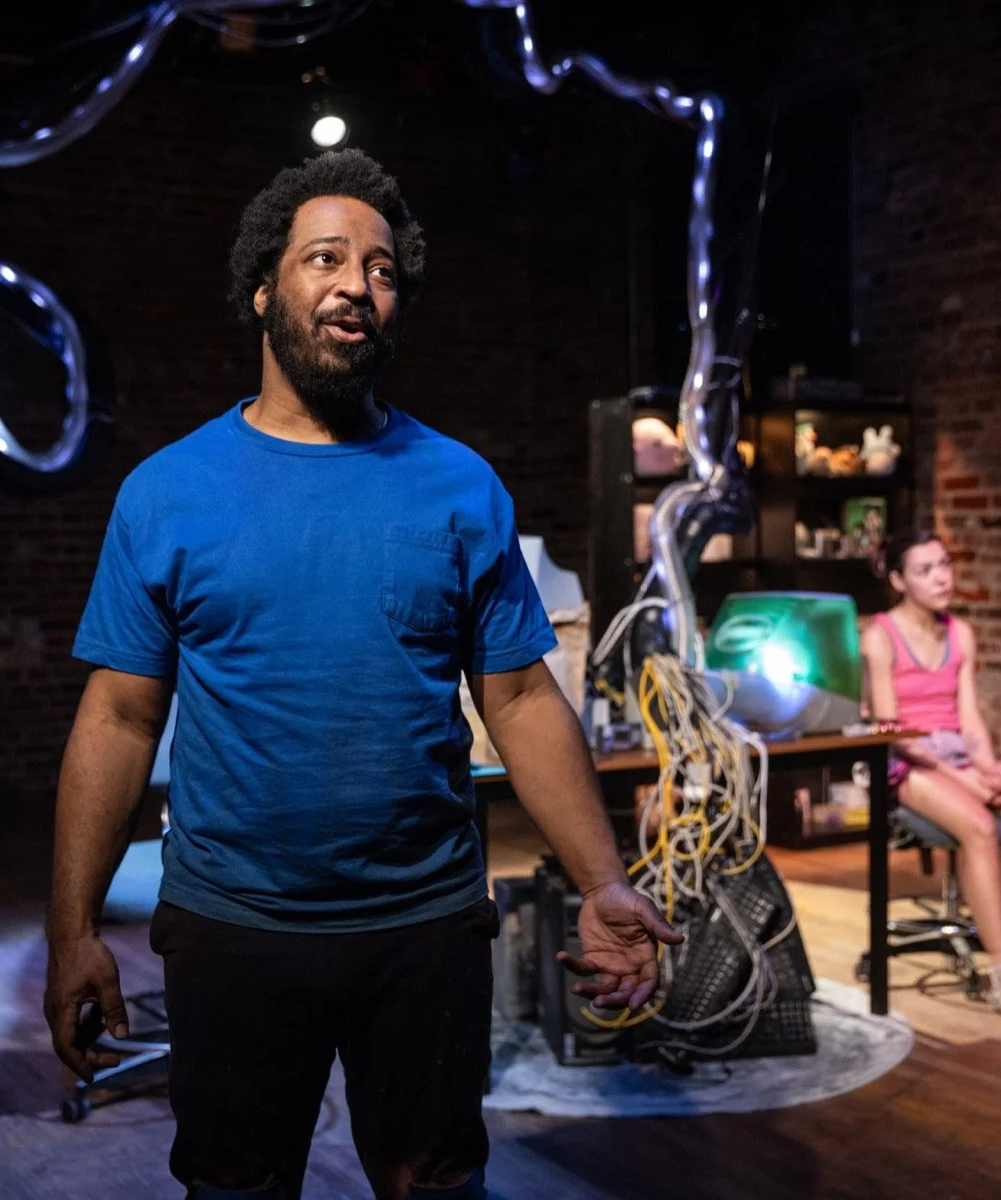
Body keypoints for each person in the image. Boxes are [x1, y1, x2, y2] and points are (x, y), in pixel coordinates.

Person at [43, 149, 680, 1200]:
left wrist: (606, 881)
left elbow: (520, 699)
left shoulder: (459, 485)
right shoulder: (169, 492)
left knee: (434, 1181)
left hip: (422, 927)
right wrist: (70, 933)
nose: (356, 284)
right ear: (263, 289)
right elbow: (116, 718)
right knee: (235, 1186)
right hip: (233, 926)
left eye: (382, 269)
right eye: (325, 258)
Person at [860, 530, 1001, 1028]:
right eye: (925, 570)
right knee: (979, 827)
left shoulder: (960, 633)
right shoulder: (880, 635)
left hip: (956, 754)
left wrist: (983, 765)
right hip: (906, 759)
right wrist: (962, 782)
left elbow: (969, 718)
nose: (941, 576)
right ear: (900, 580)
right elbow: (891, 729)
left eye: (944, 564)